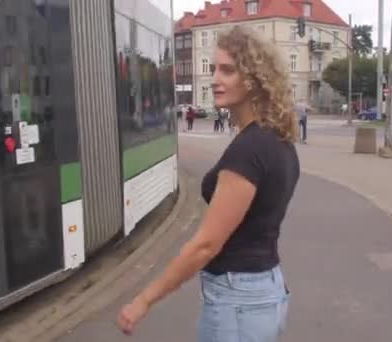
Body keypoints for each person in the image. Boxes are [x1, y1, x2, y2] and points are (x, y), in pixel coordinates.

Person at [117, 25, 299, 341]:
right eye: (214, 68)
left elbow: (205, 245)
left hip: (238, 299)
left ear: (255, 79)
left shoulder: (250, 149)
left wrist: (144, 300)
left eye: (227, 70)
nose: (215, 78)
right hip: (264, 288)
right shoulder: (278, 140)